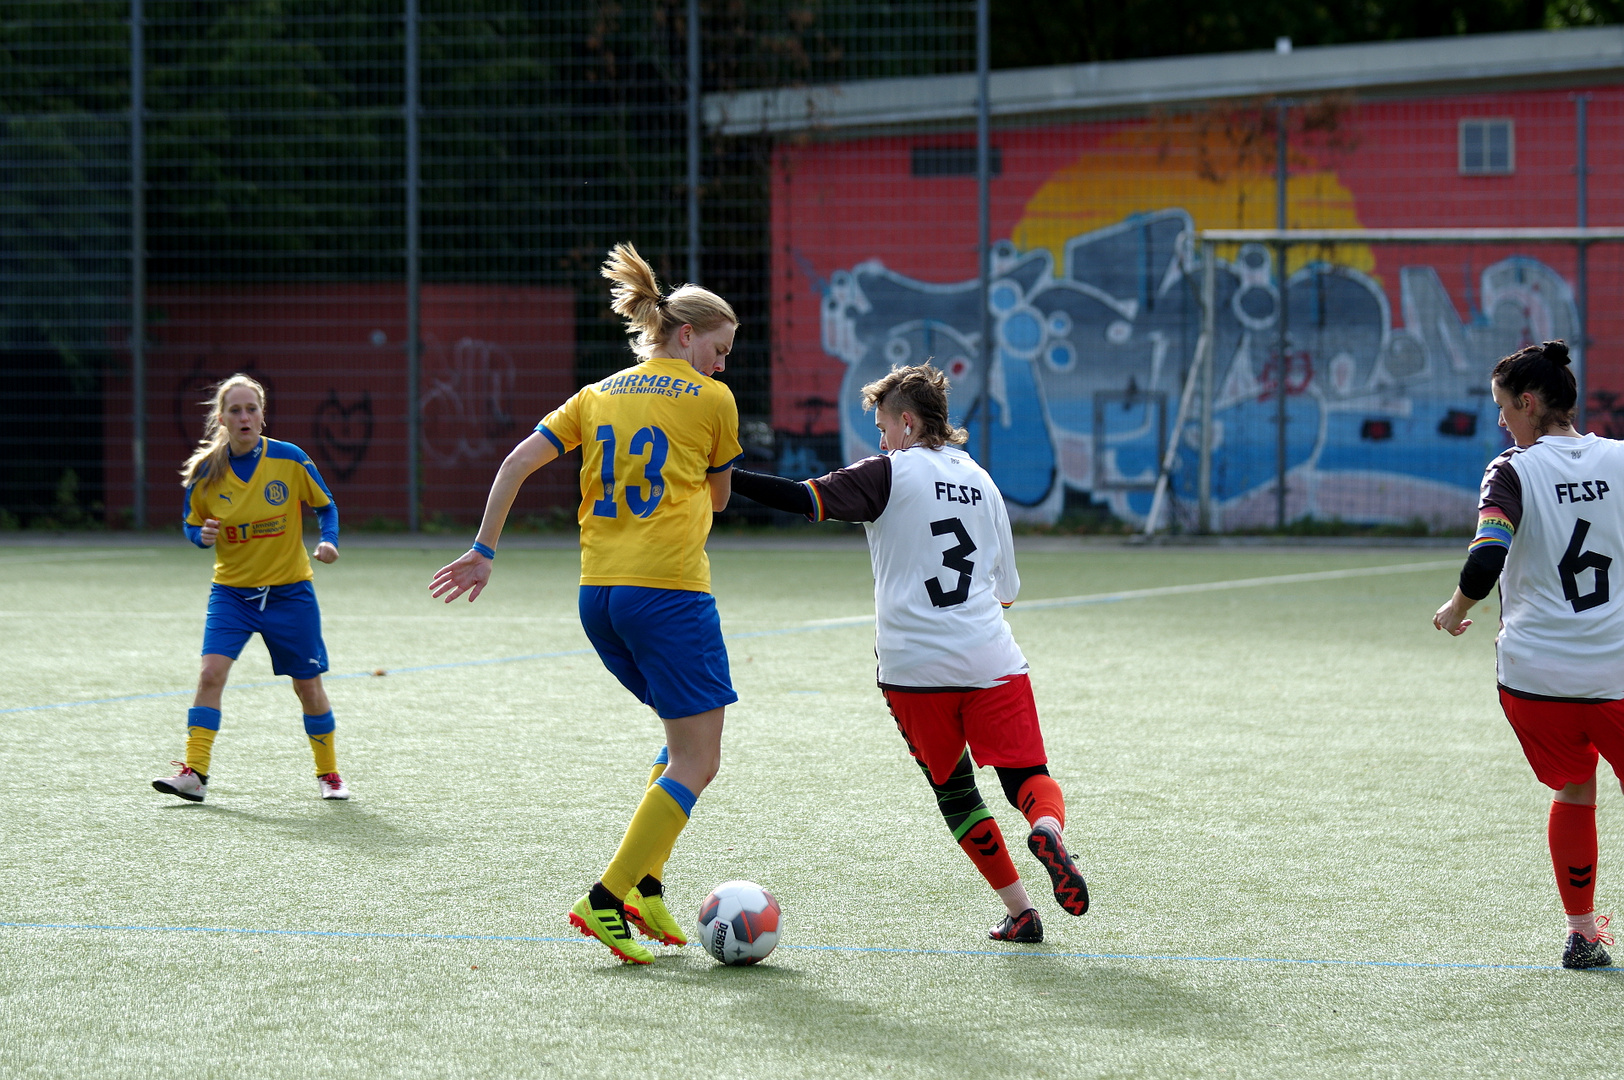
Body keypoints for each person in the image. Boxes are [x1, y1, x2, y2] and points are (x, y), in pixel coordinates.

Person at [430, 242, 742, 965]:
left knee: (677, 744)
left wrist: (483, 550)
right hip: (668, 594)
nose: (724, 365)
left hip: (598, 598)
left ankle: (647, 887)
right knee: (700, 759)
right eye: (720, 349)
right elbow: (720, 498)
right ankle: (605, 898)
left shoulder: (599, 392)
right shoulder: (713, 400)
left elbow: (514, 463)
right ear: (686, 335)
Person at [727, 363, 1088, 943]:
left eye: (882, 426)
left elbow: (803, 498)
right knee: (1028, 774)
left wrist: (726, 476)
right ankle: (1047, 827)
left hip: (911, 669)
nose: (880, 439)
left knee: (957, 793)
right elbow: (1008, 592)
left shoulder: (889, 473)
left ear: (907, 421)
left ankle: (1021, 912)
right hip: (988, 659)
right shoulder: (986, 484)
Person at [1434, 339, 1624, 969]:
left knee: (1574, 790)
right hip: (1618, 673)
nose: (1499, 423)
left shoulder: (1511, 470)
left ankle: (1581, 934)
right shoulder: (1621, 461)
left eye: (1503, 408)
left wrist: (1457, 609)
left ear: (1528, 401)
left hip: (1536, 681)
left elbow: (1489, 554)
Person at [152, 374, 347, 803]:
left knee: (307, 685)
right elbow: (190, 523)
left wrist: (328, 540)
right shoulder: (207, 471)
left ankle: (329, 773)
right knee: (209, 674)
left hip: (289, 592)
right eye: (235, 410)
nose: (245, 417)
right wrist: (198, 535)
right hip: (232, 594)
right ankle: (194, 773)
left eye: (251, 409)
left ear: (262, 415)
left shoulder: (289, 460)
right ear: (221, 418)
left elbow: (325, 505)